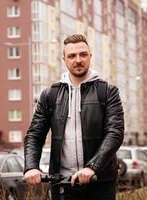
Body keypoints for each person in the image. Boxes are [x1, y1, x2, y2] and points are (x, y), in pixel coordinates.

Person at [24, 34, 124, 200]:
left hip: (99, 181)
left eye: (83, 54)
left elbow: (115, 132)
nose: (78, 60)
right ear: (64, 59)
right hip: (62, 184)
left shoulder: (107, 91)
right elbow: (35, 135)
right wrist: (31, 167)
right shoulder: (51, 95)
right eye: (72, 56)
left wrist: (92, 167)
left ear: (90, 56)